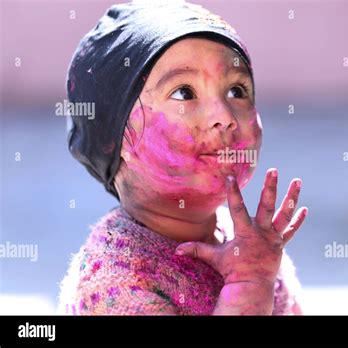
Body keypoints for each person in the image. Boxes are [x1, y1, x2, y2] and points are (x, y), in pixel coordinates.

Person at [58, 0, 308, 315]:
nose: (224, 116)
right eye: (184, 94)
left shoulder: (250, 244)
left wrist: (258, 272)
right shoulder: (114, 279)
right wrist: (248, 287)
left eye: (237, 91)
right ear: (113, 139)